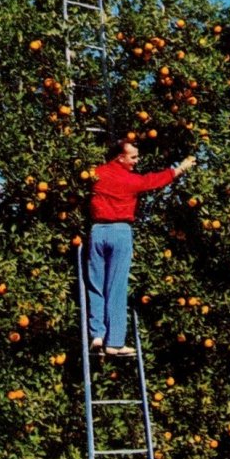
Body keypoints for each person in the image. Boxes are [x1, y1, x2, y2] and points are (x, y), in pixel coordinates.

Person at [87, 138, 196, 356]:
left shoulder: (95, 174)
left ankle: (97, 335)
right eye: (133, 157)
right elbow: (154, 180)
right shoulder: (131, 180)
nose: (137, 161)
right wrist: (181, 168)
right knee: (116, 287)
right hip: (120, 232)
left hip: (97, 231)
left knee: (95, 284)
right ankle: (114, 342)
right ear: (120, 157)